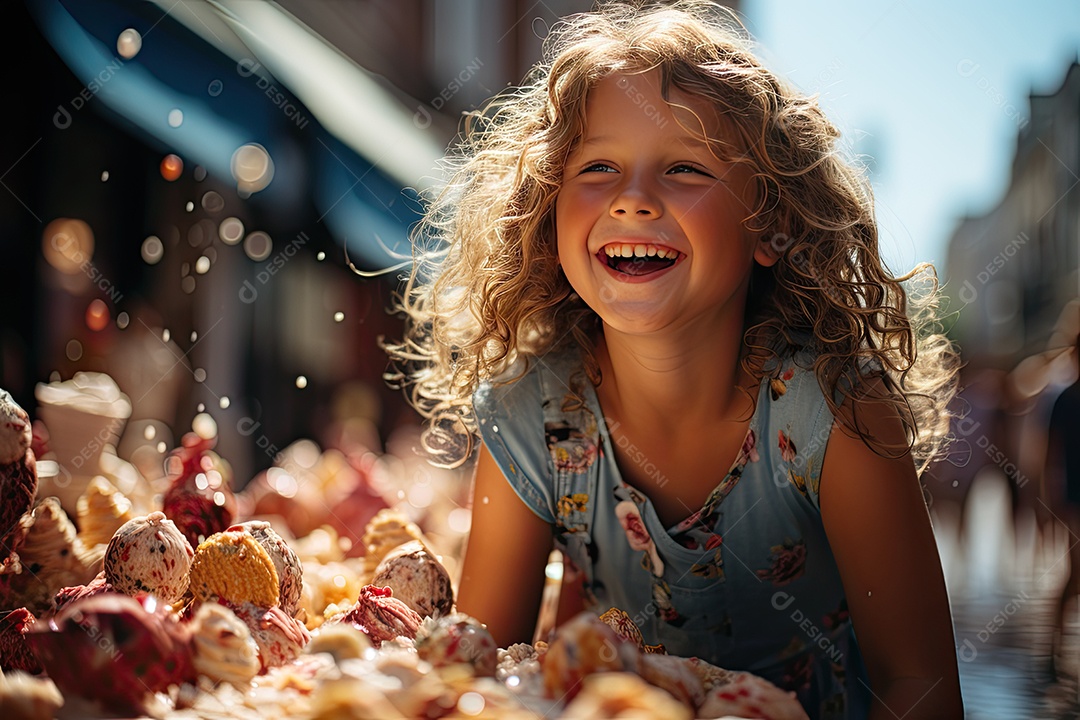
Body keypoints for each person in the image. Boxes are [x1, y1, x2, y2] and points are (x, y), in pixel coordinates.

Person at [385, 2, 964, 717]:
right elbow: (476, 670)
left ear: (773, 223)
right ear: (547, 207)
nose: (632, 200)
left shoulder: (835, 409)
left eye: (686, 169)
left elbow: (920, 684)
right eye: (598, 166)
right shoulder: (529, 410)